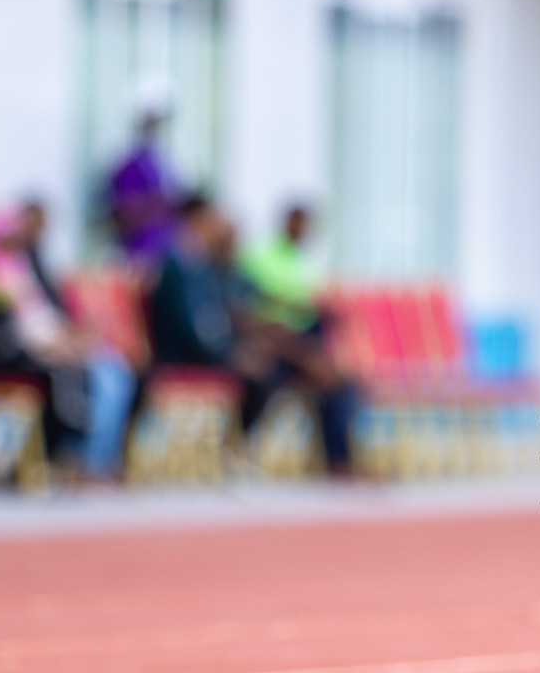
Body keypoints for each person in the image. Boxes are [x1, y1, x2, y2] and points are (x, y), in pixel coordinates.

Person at [149, 194, 357, 474]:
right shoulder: (187, 266)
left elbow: (259, 302)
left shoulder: (222, 268)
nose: (230, 236)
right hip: (197, 354)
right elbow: (207, 326)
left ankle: (338, 460)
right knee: (265, 371)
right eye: (220, 226)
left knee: (328, 373)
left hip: (238, 346)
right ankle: (235, 451)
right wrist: (236, 352)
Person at [0, 200, 137, 479]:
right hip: (2, 359)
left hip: (41, 348)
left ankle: (91, 458)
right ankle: (69, 458)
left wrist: (69, 340)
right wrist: (47, 346)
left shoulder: (23, 271)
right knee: (65, 375)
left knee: (110, 367)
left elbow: (44, 317)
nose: (11, 245)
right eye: (5, 239)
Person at [107, 109, 181, 269]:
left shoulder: (162, 164)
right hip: (137, 248)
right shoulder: (131, 166)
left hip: (162, 244)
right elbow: (125, 208)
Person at [239, 203, 321, 333]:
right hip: (273, 326)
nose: (301, 228)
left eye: (304, 224)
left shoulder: (304, 259)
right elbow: (253, 293)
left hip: (301, 327)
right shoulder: (262, 253)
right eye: (297, 222)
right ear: (287, 222)